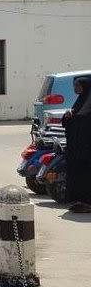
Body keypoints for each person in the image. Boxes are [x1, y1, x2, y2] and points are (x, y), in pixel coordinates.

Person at [64, 77, 91, 212]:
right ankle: (79, 201)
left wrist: (74, 117)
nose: (75, 88)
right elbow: (76, 117)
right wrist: (69, 115)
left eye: (78, 85)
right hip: (77, 148)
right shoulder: (81, 101)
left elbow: (84, 120)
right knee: (77, 174)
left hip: (87, 149)